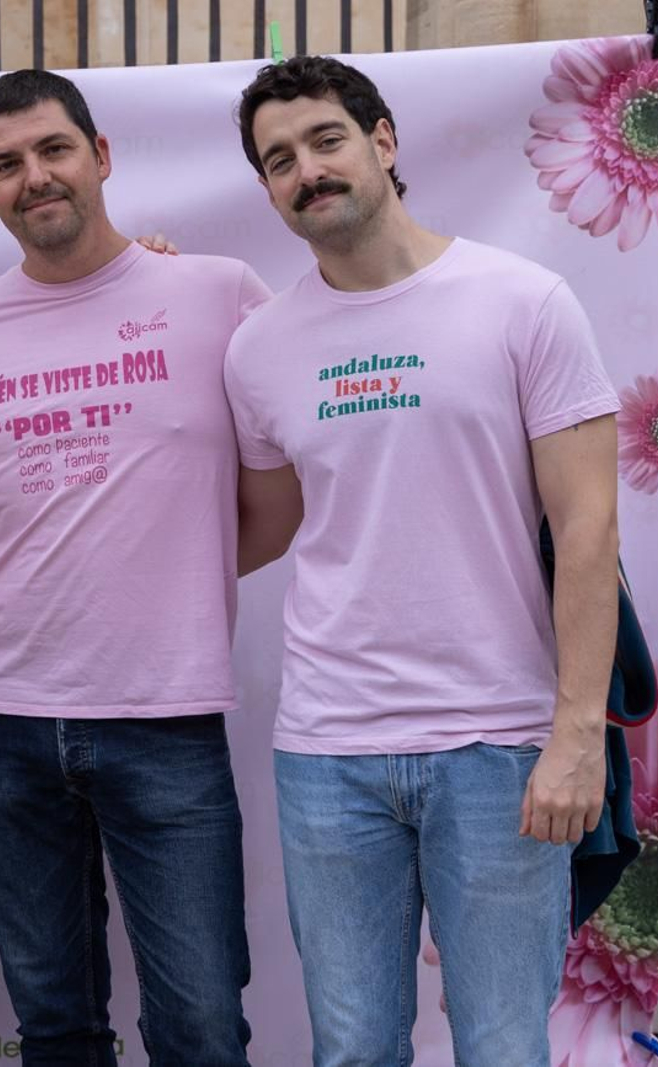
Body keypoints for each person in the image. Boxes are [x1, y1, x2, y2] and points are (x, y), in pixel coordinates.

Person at [226, 56, 618, 1064]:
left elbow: (587, 526)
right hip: (326, 749)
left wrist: (573, 733)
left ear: (383, 142)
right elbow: (263, 525)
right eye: (278, 160)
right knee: (353, 1047)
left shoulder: (523, 301)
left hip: (497, 744)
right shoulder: (259, 347)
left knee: (499, 1045)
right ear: (267, 190)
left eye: (324, 140)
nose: (305, 171)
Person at [0, 69, 278, 1065]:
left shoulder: (216, 294)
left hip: (165, 715)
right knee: (55, 1023)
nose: (34, 177)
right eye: (6, 164)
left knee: (201, 1023)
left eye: (52, 149)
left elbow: (275, 502)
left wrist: (163, 569)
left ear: (100, 155)